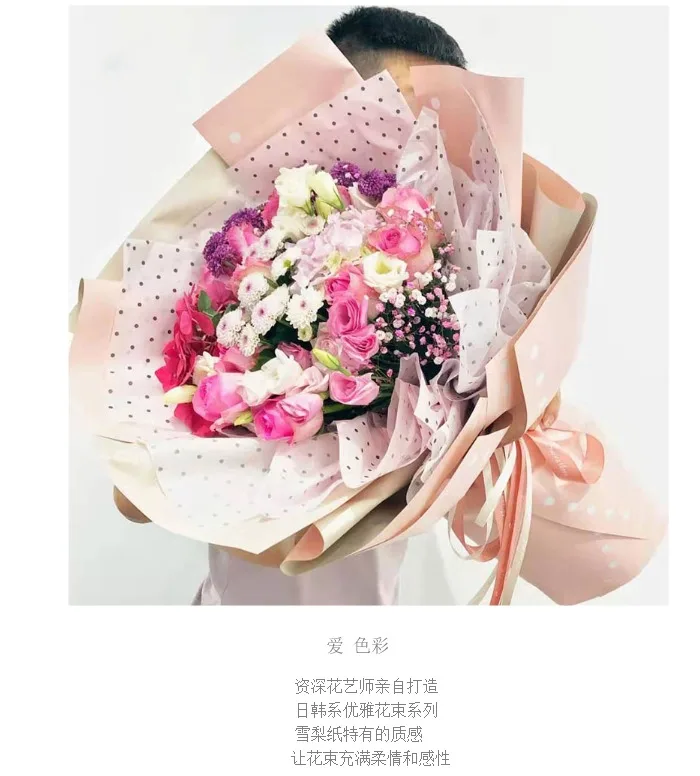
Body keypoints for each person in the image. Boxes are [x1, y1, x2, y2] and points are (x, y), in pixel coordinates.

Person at [113, 6, 481, 605]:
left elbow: (484, 499)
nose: (410, 148)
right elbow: (131, 499)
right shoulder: (241, 269)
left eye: (431, 132)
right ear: (326, 107)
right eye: (389, 112)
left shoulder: (460, 298)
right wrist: (254, 386)